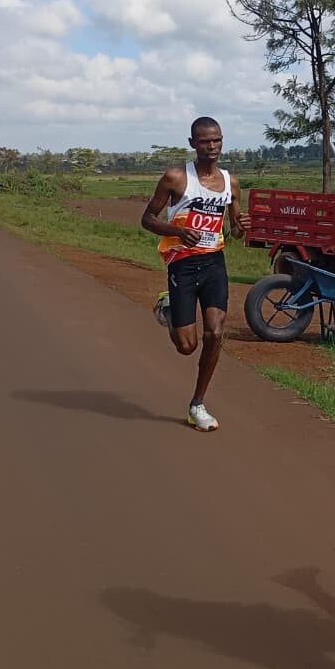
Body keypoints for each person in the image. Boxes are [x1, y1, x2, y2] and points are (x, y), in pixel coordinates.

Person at [141, 116, 249, 432]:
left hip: (214, 264)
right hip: (183, 265)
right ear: (192, 143)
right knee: (186, 346)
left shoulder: (231, 182)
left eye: (216, 140)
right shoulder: (176, 178)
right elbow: (147, 219)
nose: (211, 146)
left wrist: (241, 227)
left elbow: (235, 229)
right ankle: (168, 307)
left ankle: (197, 404)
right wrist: (177, 230)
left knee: (214, 333)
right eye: (204, 141)